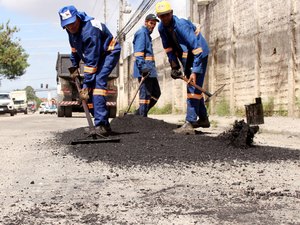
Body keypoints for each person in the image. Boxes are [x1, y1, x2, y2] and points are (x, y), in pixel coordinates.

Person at [58, 5, 121, 135]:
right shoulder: (71, 31)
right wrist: (74, 67)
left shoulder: (90, 31)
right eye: (67, 25)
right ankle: (104, 124)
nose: (71, 27)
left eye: (72, 23)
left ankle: (101, 125)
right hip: (97, 55)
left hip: (109, 53)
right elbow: (74, 50)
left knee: (97, 83)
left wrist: (85, 86)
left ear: (78, 18)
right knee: (91, 89)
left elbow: (92, 62)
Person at [155, 1, 210, 134]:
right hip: (186, 56)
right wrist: (174, 66)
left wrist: (195, 71)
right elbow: (168, 48)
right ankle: (203, 119)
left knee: (192, 85)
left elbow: (197, 49)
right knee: (194, 87)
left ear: (171, 13)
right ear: (159, 17)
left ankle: (190, 122)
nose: (165, 18)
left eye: (167, 15)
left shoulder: (181, 25)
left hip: (199, 54)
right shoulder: (162, 28)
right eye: (161, 16)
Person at [133, 14, 161, 117]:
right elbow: (139, 53)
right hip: (144, 70)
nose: (153, 26)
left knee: (156, 93)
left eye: (154, 24)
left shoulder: (147, 35)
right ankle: (142, 117)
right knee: (145, 95)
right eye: (151, 23)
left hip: (150, 71)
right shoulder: (141, 33)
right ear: (146, 22)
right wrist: (143, 68)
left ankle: (138, 114)